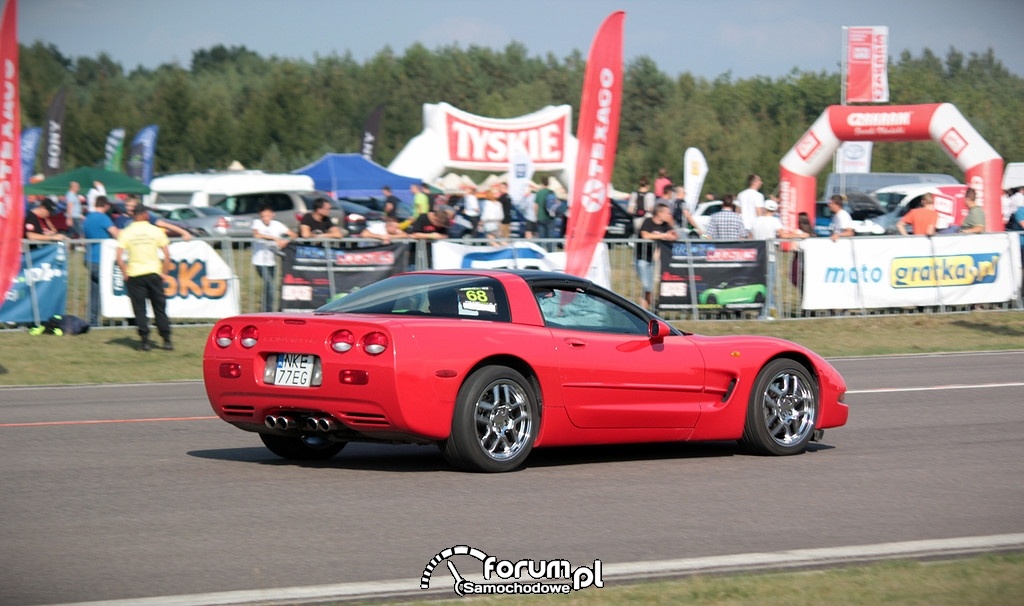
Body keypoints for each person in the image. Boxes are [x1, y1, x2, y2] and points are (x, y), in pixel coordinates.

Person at [116, 204, 174, 351]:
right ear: (145, 215)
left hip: (135, 274)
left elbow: (119, 257)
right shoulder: (155, 231)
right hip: (154, 273)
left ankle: (145, 341)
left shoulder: (126, 232)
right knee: (159, 308)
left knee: (139, 309)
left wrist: (125, 272)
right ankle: (166, 340)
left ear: (134, 215)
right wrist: (165, 273)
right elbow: (167, 255)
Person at [751, 200, 807, 320]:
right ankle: (766, 313)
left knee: (762, 285)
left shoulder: (756, 220)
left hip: (758, 256)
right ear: (774, 210)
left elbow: (751, 236)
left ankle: (770, 309)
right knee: (770, 284)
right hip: (770, 255)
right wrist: (799, 236)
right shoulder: (774, 221)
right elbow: (783, 236)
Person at [82, 196, 120, 326]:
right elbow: (116, 234)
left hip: (89, 257)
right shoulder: (103, 218)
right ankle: (112, 316)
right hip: (101, 258)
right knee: (106, 289)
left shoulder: (88, 218)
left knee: (94, 290)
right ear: (106, 206)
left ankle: (92, 319)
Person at [251, 205, 296, 312]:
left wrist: (285, 241)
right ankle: (268, 310)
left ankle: (267, 308)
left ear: (272, 215)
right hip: (259, 261)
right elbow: (257, 235)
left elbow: (293, 234)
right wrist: (274, 238)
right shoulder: (257, 223)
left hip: (272, 261)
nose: (265, 218)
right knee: (270, 284)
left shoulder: (277, 225)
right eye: (263, 216)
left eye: (267, 216)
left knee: (269, 287)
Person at [634, 203, 677, 309]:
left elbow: (675, 236)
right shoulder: (648, 221)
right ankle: (653, 307)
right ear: (659, 213)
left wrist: (672, 226)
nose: (669, 215)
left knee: (649, 287)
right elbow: (645, 235)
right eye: (667, 213)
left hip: (653, 260)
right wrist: (663, 236)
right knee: (647, 286)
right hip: (642, 259)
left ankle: (645, 311)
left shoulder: (665, 225)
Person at [120, 194, 193, 240]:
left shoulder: (145, 217)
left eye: (132, 206)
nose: (130, 208)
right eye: (127, 206)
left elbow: (166, 225)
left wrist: (184, 233)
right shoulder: (120, 219)